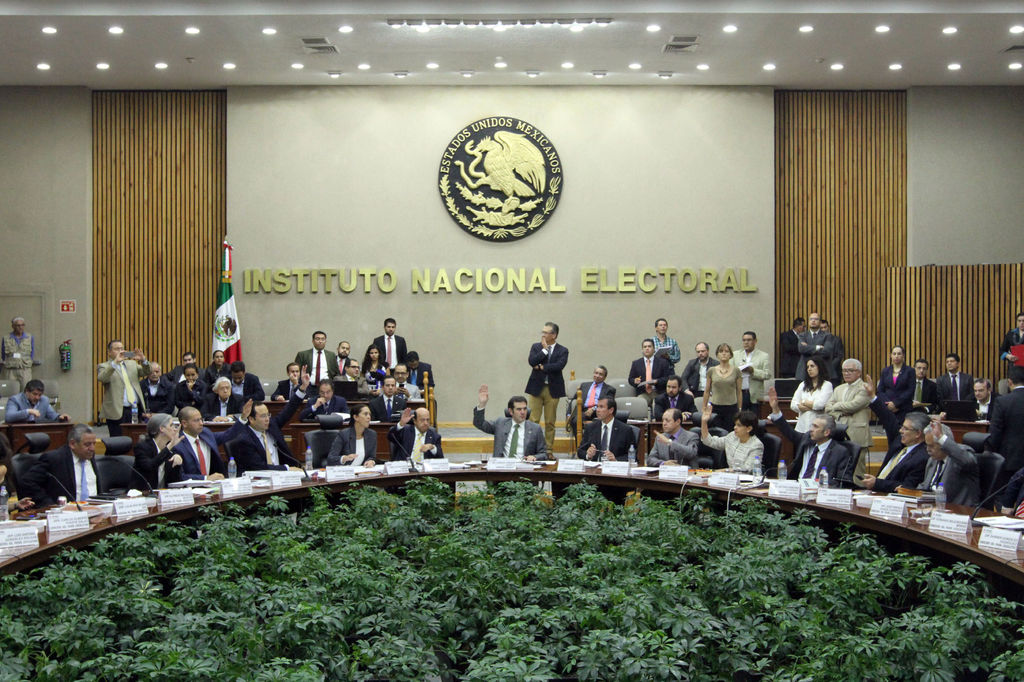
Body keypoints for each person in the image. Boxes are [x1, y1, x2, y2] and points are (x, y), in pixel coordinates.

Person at [861, 375, 931, 493]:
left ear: (918, 433)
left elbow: (907, 487)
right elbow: (888, 418)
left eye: (905, 428)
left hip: (888, 496)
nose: (900, 431)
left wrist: (877, 483)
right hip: (873, 492)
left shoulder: (922, 458)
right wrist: (872, 397)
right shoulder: (900, 440)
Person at [766, 388, 852, 483]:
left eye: (816, 427)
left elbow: (842, 482)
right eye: (812, 425)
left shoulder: (839, 452)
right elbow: (788, 431)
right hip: (797, 486)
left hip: (820, 488)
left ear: (826, 432)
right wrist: (775, 409)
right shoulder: (806, 439)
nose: (811, 429)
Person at [227, 377, 309, 474]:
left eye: (268, 415)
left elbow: (289, 408)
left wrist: (302, 388)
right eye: (263, 416)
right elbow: (259, 467)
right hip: (259, 479)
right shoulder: (244, 439)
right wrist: (286, 469)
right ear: (251, 419)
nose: (267, 419)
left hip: (284, 477)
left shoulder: (272, 426)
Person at [18, 424, 98, 507]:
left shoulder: (89, 456)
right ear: (72, 444)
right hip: (67, 511)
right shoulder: (54, 459)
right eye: (87, 444)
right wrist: (49, 504)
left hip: (94, 509)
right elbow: (27, 482)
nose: (92, 448)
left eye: (94, 444)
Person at [525, 321, 568, 453]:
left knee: (550, 422)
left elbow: (559, 366)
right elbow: (532, 361)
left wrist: (541, 367)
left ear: (554, 335)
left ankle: (548, 450)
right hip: (536, 388)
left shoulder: (563, 350)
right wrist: (544, 350)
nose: (542, 335)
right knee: (533, 420)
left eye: (545, 332)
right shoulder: (536, 347)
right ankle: (531, 449)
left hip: (553, 389)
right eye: (542, 332)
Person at [916, 420, 980, 507]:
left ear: (943, 443)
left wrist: (941, 437)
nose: (928, 449)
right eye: (927, 445)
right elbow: (925, 486)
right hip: (932, 508)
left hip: (959, 509)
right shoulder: (932, 460)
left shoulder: (960, 457)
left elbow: (967, 461)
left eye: (931, 446)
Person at [474, 385, 546, 461]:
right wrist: (482, 404)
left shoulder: (535, 428)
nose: (523, 412)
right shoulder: (500, 424)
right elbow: (479, 423)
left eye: (525, 409)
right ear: (511, 411)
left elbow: (544, 454)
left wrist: (535, 457)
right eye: (519, 409)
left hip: (524, 465)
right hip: (502, 466)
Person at [97, 339, 149, 437]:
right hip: (116, 410)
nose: (121, 351)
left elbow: (147, 372)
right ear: (109, 352)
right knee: (117, 439)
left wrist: (143, 360)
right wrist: (115, 363)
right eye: (117, 349)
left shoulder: (132, 364)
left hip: (134, 408)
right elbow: (102, 378)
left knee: (134, 437)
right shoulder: (104, 366)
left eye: (122, 348)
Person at [172, 406, 238, 480]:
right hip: (191, 486)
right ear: (184, 423)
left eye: (201, 419)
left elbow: (227, 435)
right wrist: (205, 478)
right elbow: (179, 477)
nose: (201, 423)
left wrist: (242, 419)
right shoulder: (177, 445)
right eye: (196, 420)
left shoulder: (206, 433)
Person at [987, 365, 1024, 487]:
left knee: (1007, 494)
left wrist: (990, 452)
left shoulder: (1002, 401)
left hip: (1009, 460)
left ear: (1009, 382)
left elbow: (995, 433)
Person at [825, 358, 873, 453]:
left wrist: (836, 405)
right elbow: (827, 408)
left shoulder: (865, 388)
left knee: (858, 462)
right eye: (844, 370)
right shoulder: (838, 388)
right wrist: (840, 414)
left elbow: (853, 406)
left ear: (859, 372)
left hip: (857, 433)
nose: (846, 373)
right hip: (839, 432)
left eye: (850, 370)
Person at [701, 402, 765, 472]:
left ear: (749, 429)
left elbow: (747, 469)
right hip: (730, 476)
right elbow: (710, 441)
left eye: (739, 425)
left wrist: (722, 471)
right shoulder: (732, 436)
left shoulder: (756, 445)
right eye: (735, 424)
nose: (735, 427)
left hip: (745, 478)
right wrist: (704, 422)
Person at [133, 413, 185, 489]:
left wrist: (177, 465)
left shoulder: (172, 450)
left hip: (164, 493)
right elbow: (150, 466)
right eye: (171, 425)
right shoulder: (142, 447)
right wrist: (169, 446)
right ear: (162, 429)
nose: (175, 429)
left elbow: (174, 482)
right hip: (142, 493)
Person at [576, 396, 634, 462]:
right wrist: (588, 455)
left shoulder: (625, 430)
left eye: (601, 407)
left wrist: (615, 460)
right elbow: (580, 451)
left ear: (611, 410)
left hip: (614, 467)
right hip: (595, 467)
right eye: (597, 407)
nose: (597, 410)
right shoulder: (591, 427)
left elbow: (632, 456)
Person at [876, 345, 915, 434]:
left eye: (899, 354)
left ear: (903, 355)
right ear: (891, 355)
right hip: (888, 409)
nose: (896, 356)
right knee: (888, 435)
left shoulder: (910, 371)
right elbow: (880, 390)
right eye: (894, 354)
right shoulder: (885, 371)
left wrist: (896, 403)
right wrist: (888, 404)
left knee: (902, 435)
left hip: (903, 408)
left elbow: (910, 390)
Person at [791, 355, 834, 431]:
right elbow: (793, 405)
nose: (809, 369)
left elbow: (820, 405)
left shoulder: (827, 385)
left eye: (812, 366)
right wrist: (810, 406)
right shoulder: (803, 384)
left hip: (818, 429)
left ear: (819, 367)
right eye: (807, 367)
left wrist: (803, 402)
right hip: (801, 427)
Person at [566, 365, 614, 433]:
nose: (597, 376)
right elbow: (573, 400)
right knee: (575, 421)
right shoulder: (584, 385)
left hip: (600, 412)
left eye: (600, 374)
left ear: (605, 377)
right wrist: (568, 414)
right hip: (584, 411)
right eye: (596, 373)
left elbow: (609, 404)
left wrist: (594, 409)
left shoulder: (609, 389)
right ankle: (581, 440)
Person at [706, 343, 743, 427]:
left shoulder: (736, 371)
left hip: (731, 407)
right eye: (721, 351)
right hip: (715, 407)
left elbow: (739, 391)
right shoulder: (711, 370)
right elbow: (707, 391)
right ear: (717, 354)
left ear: (730, 355)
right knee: (716, 431)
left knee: (730, 430)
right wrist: (704, 407)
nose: (724, 353)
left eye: (726, 351)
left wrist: (740, 408)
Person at [627, 338, 673, 406]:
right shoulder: (636, 363)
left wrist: (657, 381)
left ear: (654, 349)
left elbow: (668, 378)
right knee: (640, 403)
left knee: (657, 403)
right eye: (645, 347)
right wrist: (634, 381)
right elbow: (630, 379)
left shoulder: (663, 362)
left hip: (658, 392)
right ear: (642, 350)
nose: (647, 348)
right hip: (643, 393)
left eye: (649, 346)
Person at [736, 331, 773, 410]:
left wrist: (753, 371)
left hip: (755, 394)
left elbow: (767, 374)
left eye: (749, 340)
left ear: (755, 341)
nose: (746, 342)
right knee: (740, 416)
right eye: (744, 340)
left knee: (755, 416)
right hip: (739, 393)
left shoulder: (763, 356)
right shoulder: (736, 355)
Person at [4, 379, 69, 423]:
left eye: (40, 395)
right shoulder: (15, 400)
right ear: (27, 391)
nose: (37, 397)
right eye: (34, 394)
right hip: (20, 431)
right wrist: (28, 411)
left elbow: (52, 415)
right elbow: (9, 417)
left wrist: (60, 417)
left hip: (39, 431)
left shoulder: (44, 400)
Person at [0, 316, 36, 390]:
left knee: (26, 390)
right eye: (18, 325)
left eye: (22, 325)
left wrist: (29, 361)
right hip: (10, 369)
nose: (20, 327)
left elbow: (32, 352)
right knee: (9, 390)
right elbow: (3, 354)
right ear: (13, 326)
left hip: (24, 369)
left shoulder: (29, 337)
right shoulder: (6, 338)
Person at [796, 312, 834, 380]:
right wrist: (817, 347)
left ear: (820, 322)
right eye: (811, 319)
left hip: (821, 370)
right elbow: (801, 349)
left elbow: (827, 351)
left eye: (816, 319)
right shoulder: (802, 335)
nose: (813, 321)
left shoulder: (827, 335)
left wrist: (808, 348)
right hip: (804, 371)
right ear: (808, 322)